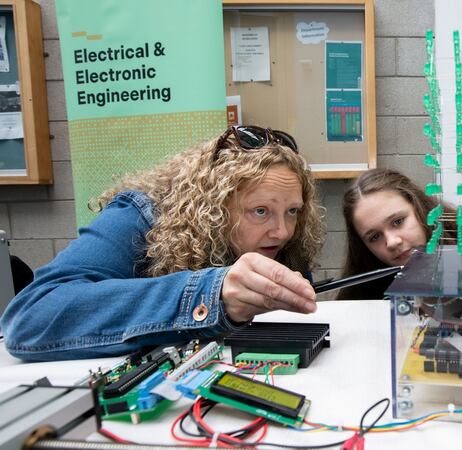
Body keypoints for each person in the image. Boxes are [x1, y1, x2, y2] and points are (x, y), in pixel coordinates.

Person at [0, 126, 324, 361]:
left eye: (292, 211)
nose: (282, 232)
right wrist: (211, 295)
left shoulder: (280, 244)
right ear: (213, 207)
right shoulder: (137, 216)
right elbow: (31, 318)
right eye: (260, 211)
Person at [338, 168, 462, 300]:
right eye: (375, 237)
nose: (392, 242)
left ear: (419, 207)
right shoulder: (362, 295)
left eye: (398, 222)